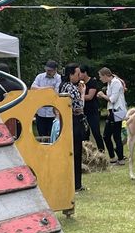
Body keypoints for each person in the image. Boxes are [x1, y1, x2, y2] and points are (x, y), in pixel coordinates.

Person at [59, 63, 86, 191]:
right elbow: (79, 107)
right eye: (77, 74)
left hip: (65, 122)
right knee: (76, 153)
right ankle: (76, 184)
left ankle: (69, 182)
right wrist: (82, 93)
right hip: (74, 122)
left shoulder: (62, 86)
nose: (79, 76)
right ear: (71, 75)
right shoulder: (72, 88)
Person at [97, 67, 128, 164]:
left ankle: (120, 159)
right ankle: (114, 157)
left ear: (106, 75)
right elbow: (110, 100)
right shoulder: (109, 83)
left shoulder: (116, 83)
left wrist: (102, 95)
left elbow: (112, 99)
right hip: (112, 111)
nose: (100, 79)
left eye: (100, 76)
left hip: (117, 111)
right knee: (107, 136)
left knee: (115, 135)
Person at [31, 60, 62, 140]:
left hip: (52, 113)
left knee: (53, 136)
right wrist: (48, 88)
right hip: (40, 112)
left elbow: (56, 93)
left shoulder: (59, 78)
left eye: (50, 70)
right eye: (47, 70)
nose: (48, 72)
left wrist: (40, 91)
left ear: (55, 70)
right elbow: (33, 88)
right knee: (41, 136)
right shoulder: (40, 77)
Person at [79, 66, 105, 153]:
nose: (79, 75)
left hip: (93, 111)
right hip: (83, 111)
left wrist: (80, 96)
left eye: (80, 73)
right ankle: (87, 153)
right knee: (84, 134)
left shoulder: (92, 82)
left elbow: (90, 96)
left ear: (85, 73)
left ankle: (102, 151)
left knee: (96, 132)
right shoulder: (79, 83)